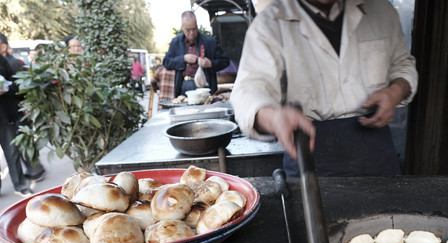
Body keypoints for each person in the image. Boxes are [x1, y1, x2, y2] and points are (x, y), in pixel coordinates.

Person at [230, 0, 418, 177]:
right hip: (308, 152)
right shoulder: (269, 24)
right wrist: (274, 118)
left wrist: (396, 91)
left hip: (376, 153)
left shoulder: (380, 10)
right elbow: (249, 91)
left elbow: (403, 64)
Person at [0, 33, 46, 183]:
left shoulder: (12, 62)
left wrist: (7, 88)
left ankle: (35, 170)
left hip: (15, 111)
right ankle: (34, 170)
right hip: (12, 112)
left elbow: (20, 87)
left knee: (21, 144)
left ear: (4, 46)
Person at [163, 11, 229, 97]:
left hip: (205, 86)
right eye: (188, 30)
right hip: (184, 86)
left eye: (194, 29)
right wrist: (183, 59)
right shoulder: (176, 42)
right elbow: (166, 62)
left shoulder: (209, 42)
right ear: (182, 27)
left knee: (206, 110)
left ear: (197, 25)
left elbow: (225, 61)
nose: (191, 33)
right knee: (184, 110)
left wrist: (210, 63)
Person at [0, 52, 33, 197]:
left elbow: (15, 83)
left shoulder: (2, 61)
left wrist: (6, 87)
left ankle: (20, 185)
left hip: (6, 116)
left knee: (12, 151)